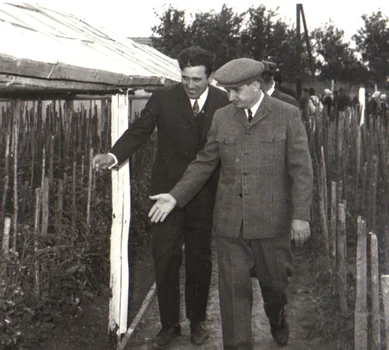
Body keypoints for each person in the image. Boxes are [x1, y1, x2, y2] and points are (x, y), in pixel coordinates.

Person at [148, 58, 313, 349]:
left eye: (236, 90)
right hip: (230, 225)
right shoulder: (223, 117)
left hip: (272, 223)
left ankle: (278, 318)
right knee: (233, 298)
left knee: (275, 288)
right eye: (227, 91)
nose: (230, 96)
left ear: (255, 85)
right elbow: (205, 162)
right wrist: (175, 196)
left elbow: (301, 169)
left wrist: (300, 216)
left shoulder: (287, 115)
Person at [93, 46, 229, 348]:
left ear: (210, 77)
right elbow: (140, 130)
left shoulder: (223, 102)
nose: (190, 86)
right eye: (185, 78)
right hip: (164, 192)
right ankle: (169, 326)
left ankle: (196, 322)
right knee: (164, 257)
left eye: (197, 79)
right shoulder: (164, 98)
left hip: (204, 194)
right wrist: (113, 155)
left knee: (199, 259)